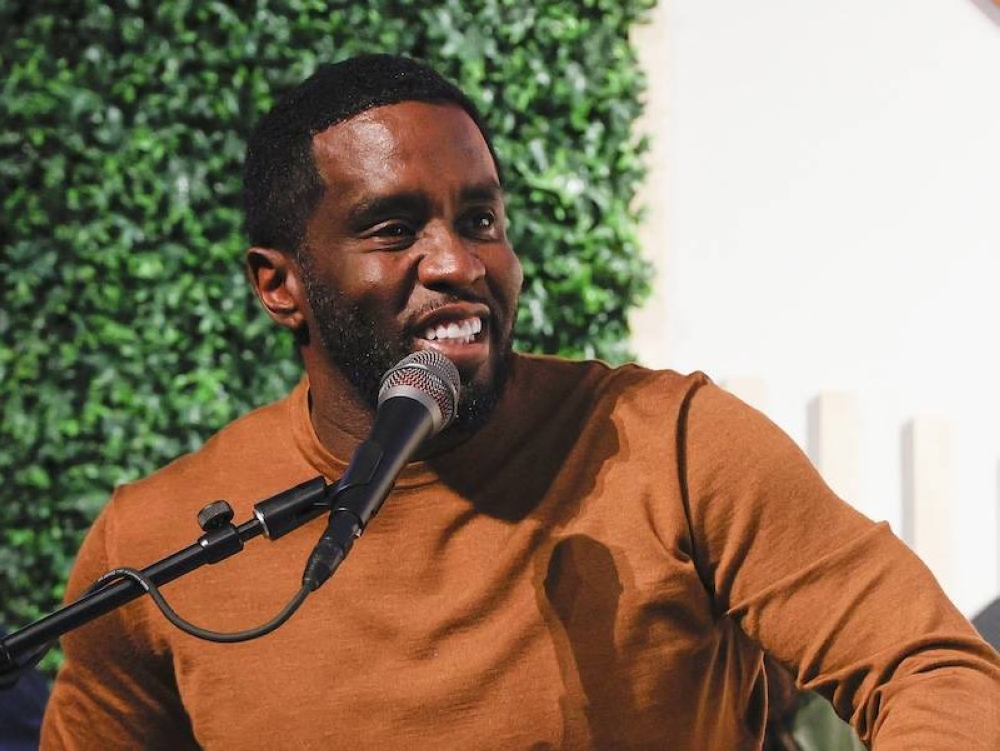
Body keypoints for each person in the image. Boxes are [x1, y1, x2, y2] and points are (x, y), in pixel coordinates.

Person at [41, 54, 999, 750]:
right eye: (393, 227)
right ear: (279, 283)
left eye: (482, 219)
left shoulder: (673, 443)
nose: (459, 262)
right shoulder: (156, 540)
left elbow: (935, 669)